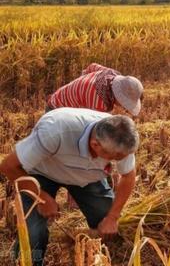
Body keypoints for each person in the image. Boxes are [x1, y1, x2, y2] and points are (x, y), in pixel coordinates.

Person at [0, 108, 139, 266]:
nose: (119, 160)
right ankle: (27, 261)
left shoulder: (121, 140)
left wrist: (112, 217)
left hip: (87, 179)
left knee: (106, 218)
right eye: (116, 158)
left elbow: (128, 176)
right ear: (95, 144)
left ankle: (101, 257)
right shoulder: (55, 130)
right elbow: (8, 166)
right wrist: (41, 197)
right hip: (43, 173)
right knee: (34, 231)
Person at [47, 63, 143, 116]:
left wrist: (81, 86)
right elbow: (93, 127)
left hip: (59, 94)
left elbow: (91, 66)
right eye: (124, 104)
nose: (123, 107)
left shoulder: (110, 73)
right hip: (57, 111)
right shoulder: (99, 103)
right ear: (118, 96)